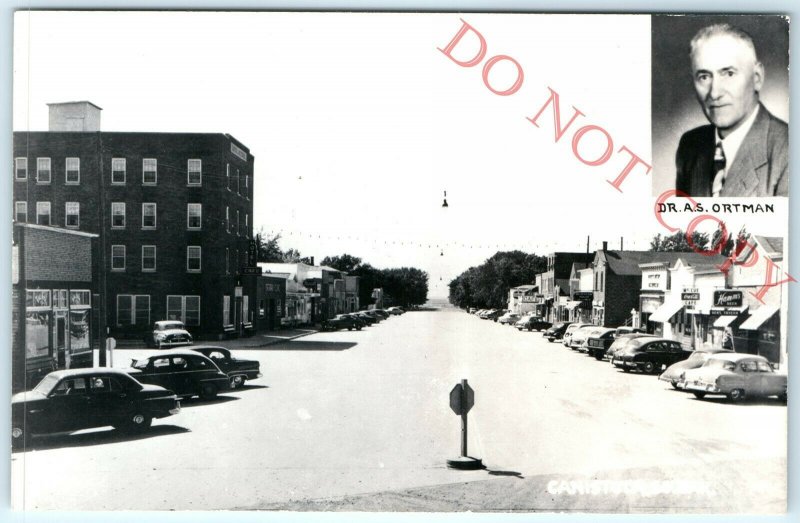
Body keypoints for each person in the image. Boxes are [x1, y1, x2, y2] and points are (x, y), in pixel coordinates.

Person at [675, 24, 788, 197]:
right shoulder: (690, 146)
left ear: (757, 78)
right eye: (704, 77)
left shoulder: (789, 150)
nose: (714, 93)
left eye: (728, 74)